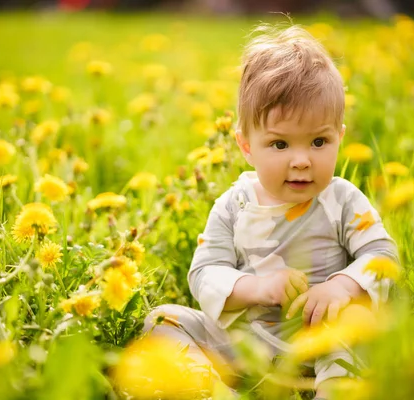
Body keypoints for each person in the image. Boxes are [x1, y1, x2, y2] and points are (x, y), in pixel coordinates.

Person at [143, 23, 398, 399]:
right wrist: (257, 288)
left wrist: (342, 287)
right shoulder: (234, 204)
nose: (301, 161)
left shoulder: (342, 199)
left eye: (318, 141)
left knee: (359, 325)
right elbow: (204, 273)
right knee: (163, 319)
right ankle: (208, 389)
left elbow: (382, 254)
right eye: (279, 144)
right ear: (246, 146)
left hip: (322, 337)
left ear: (339, 137)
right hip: (245, 345)